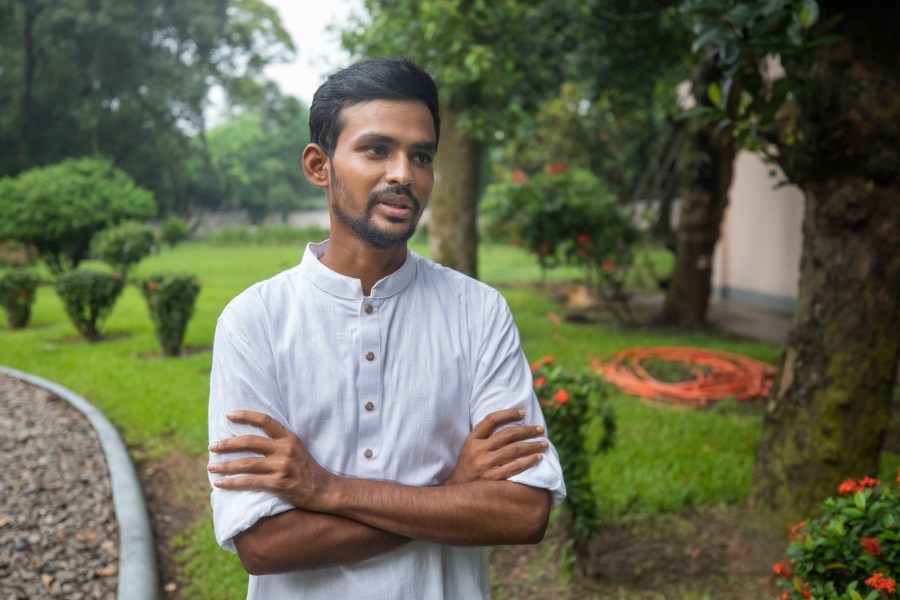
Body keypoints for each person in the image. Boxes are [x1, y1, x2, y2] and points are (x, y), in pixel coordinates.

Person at [207, 56, 566, 599]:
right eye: (377, 150)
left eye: (420, 155)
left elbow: (523, 512)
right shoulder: (254, 323)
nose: (403, 173)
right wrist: (453, 493)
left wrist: (325, 490)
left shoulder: (479, 312)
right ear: (318, 165)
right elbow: (264, 544)